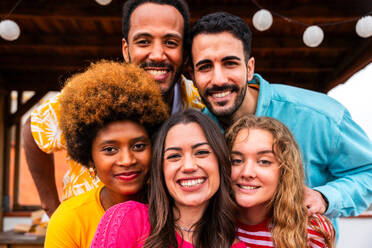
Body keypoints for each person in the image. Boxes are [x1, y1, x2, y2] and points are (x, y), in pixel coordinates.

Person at [188, 11, 372, 233]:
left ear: (249, 68)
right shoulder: (196, 133)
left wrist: (325, 197)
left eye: (230, 63)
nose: (218, 79)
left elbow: (368, 172)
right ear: (193, 75)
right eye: (205, 66)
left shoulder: (320, 116)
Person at [23, 0, 203, 216]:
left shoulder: (197, 102)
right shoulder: (95, 95)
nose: (157, 54)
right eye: (144, 42)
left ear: (184, 50)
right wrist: (51, 207)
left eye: (171, 42)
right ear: (126, 50)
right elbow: (32, 131)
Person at [44, 60, 169, 248]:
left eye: (139, 146)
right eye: (110, 149)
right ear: (89, 156)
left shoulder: (174, 209)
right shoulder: (70, 219)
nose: (127, 160)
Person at [90, 109, 245, 248]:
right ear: (161, 170)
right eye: (174, 156)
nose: (188, 166)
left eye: (201, 152)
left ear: (220, 162)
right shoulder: (127, 220)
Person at [226, 115, 335, 248]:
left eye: (264, 161)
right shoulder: (209, 225)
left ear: (285, 170)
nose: (246, 172)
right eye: (236, 161)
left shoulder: (311, 230)